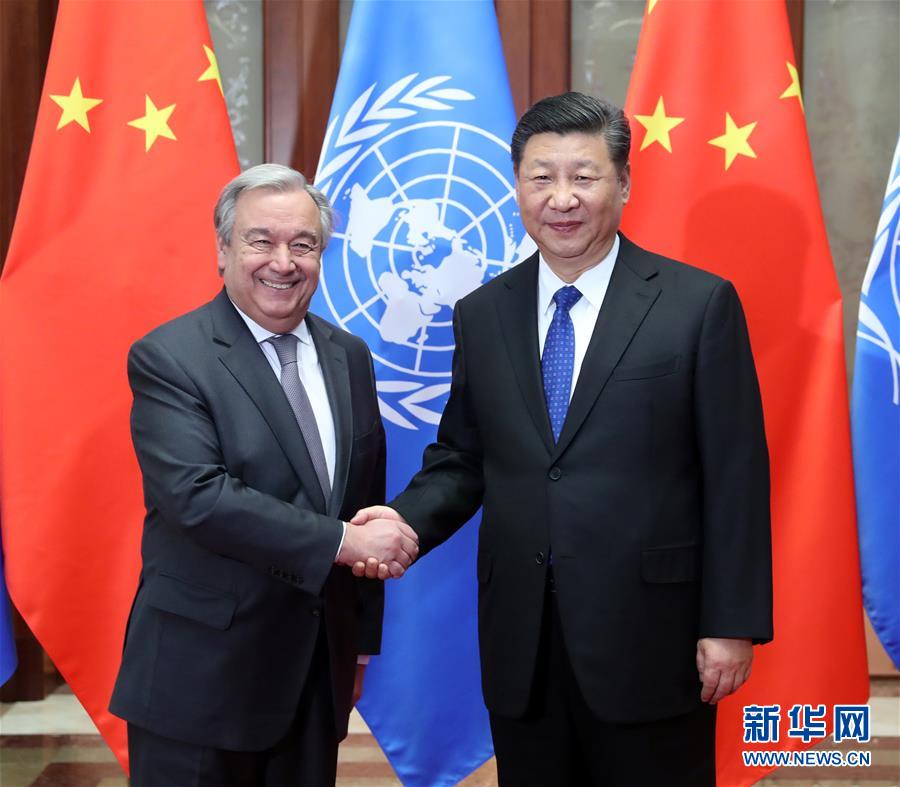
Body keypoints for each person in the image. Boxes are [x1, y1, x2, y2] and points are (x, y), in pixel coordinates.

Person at [351, 93, 773, 785]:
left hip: (653, 640)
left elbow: (736, 476)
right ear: (518, 186)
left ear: (624, 184)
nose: (562, 198)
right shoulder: (483, 312)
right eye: (541, 177)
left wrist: (731, 622)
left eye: (584, 176)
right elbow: (464, 458)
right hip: (524, 644)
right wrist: (402, 523)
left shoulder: (697, 305)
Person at [109, 164, 418, 787]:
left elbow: (362, 502)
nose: (283, 262)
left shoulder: (349, 356)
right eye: (261, 241)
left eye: (303, 244)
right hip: (200, 685)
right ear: (223, 249)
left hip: (314, 677)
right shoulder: (171, 356)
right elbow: (197, 498)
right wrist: (344, 543)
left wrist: (359, 645)